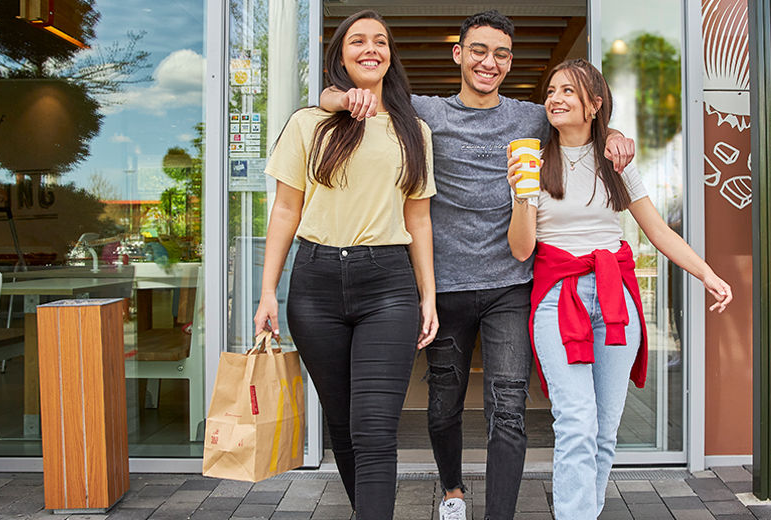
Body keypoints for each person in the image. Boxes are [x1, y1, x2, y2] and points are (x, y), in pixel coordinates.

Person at [320, 10, 635, 520]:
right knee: (444, 404)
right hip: (444, 285)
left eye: (502, 54)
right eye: (480, 51)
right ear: (459, 55)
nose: (490, 62)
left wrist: (615, 132)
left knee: (508, 408)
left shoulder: (531, 117)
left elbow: (579, 118)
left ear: (510, 62)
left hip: (511, 284)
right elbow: (346, 97)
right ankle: (452, 492)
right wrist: (336, 96)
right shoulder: (425, 112)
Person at [506, 58, 732, 518]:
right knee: (576, 422)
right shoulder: (530, 160)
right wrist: (522, 198)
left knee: (605, 429)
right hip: (557, 299)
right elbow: (521, 250)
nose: (555, 98)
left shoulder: (615, 160)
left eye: (569, 91)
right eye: (551, 91)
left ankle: (585, 511)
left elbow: (657, 231)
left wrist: (707, 273)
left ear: (594, 104)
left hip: (614, 300)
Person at [253, 10, 438, 519]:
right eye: (358, 40)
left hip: (388, 285)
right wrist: (268, 292)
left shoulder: (412, 130)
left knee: (375, 430)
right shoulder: (307, 123)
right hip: (314, 286)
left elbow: (418, 219)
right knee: (343, 427)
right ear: (340, 55)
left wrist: (429, 296)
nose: (370, 48)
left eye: (380, 41)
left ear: (390, 57)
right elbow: (286, 210)